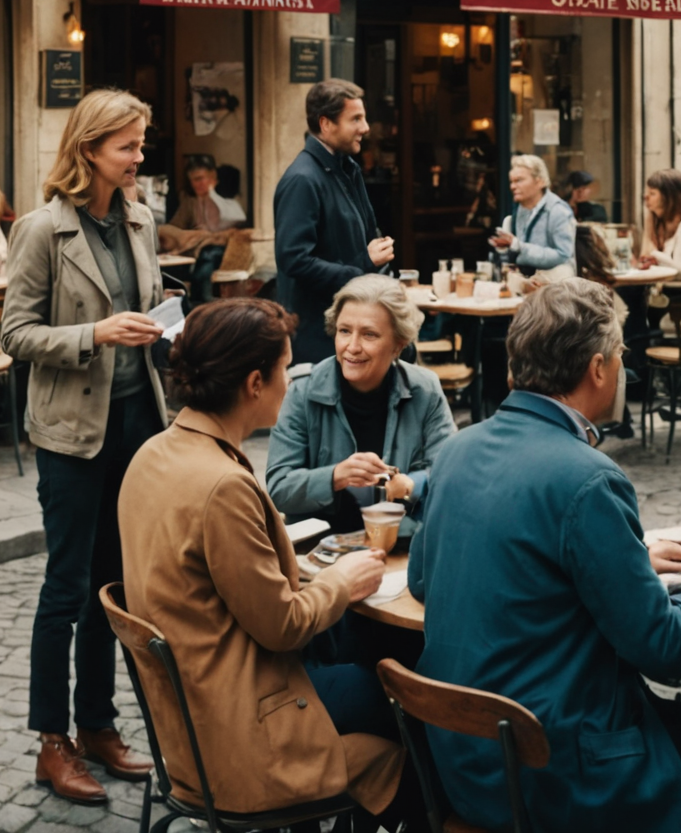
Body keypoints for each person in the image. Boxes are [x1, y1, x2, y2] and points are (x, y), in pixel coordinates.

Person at [409, 279, 681, 833]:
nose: (622, 371)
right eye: (620, 359)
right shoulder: (587, 476)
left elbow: (425, 581)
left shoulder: (455, 451)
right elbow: (659, 645)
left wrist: (629, 557)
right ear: (598, 369)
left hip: (464, 754)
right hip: (559, 762)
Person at [118, 297, 415, 827]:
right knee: (403, 698)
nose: (291, 382)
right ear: (255, 383)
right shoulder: (222, 484)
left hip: (195, 710)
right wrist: (341, 583)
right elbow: (282, 626)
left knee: (358, 669)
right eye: (285, 369)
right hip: (240, 727)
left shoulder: (154, 454)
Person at [0, 88, 169, 804]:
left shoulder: (140, 219)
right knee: (66, 587)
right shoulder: (43, 230)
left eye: (139, 144)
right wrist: (94, 335)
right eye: (127, 146)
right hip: (72, 433)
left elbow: (147, 304)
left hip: (138, 424)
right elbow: (16, 334)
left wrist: (165, 328)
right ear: (90, 148)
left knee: (117, 585)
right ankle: (52, 741)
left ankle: (99, 723)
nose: (138, 157)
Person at [265, 274, 455, 539]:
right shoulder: (302, 391)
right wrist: (335, 476)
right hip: (321, 551)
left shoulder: (425, 389)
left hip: (402, 543)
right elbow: (278, 489)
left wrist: (409, 485)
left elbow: (450, 474)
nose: (352, 347)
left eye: (369, 334)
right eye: (344, 331)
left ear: (398, 345)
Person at [275, 80, 393, 364]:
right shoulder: (303, 179)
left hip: (345, 327)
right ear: (326, 124)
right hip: (318, 338)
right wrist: (362, 265)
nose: (365, 128)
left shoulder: (346, 168)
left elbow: (366, 238)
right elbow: (294, 259)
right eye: (356, 119)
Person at [162, 158, 254, 303]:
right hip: (197, 248)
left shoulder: (227, 198)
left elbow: (235, 220)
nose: (196, 184)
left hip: (220, 248)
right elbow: (176, 225)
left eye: (200, 179)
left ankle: (202, 302)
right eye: (192, 180)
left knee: (202, 273)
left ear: (212, 177)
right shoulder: (191, 202)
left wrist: (212, 195)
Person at [490, 154, 576, 282]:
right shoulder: (519, 209)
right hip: (527, 286)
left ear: (540, 181)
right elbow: (517, 253)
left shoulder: (558, 210)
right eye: (511, 181)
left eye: (519, 180)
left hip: (555, 291)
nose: (512, 186)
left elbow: (563, 256)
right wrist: (506, 248)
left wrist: (517, 246)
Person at [635, 168, 681, 279]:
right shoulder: (659, 226)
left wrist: (656, 256)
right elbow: (643, 259)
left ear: (670, 198)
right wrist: (648, 224)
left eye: (652, 193)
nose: (646, 197)